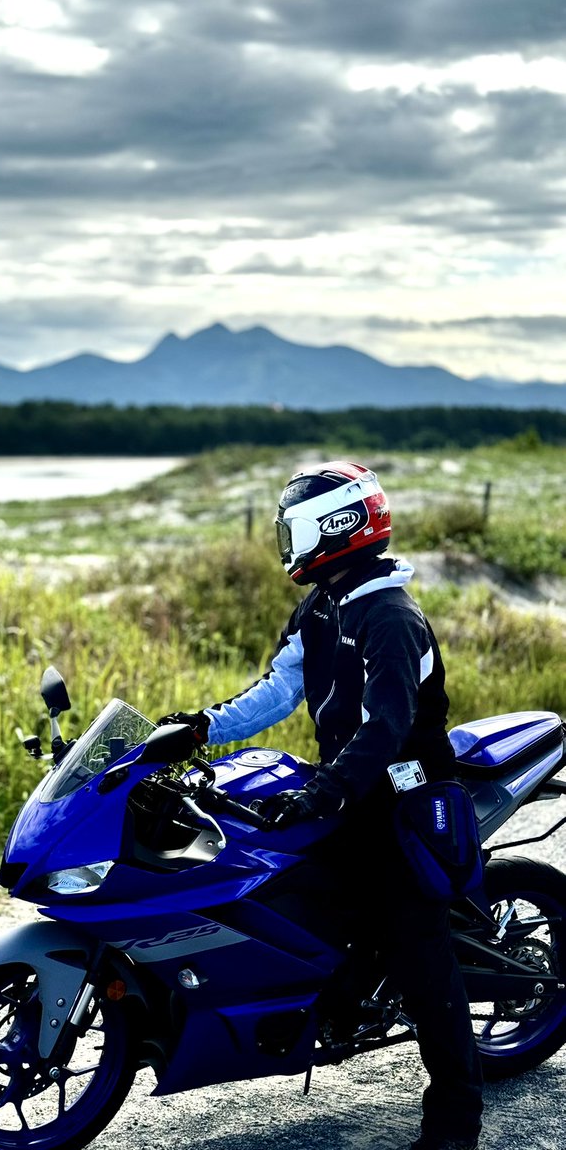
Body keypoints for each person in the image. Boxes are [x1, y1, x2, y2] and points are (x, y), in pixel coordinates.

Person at [158, 460, 483, 1150]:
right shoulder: (325, 604)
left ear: (334, 528)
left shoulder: (390, 617)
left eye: (294, 528)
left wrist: (324, 789)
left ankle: (456, 1117)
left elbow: (384, 727)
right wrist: (200, 728)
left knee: (421, 953)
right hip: (347, 787)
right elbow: (277, 692)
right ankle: (335, 1002)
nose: (286, 541)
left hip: (403, 797)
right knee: (279, 888)